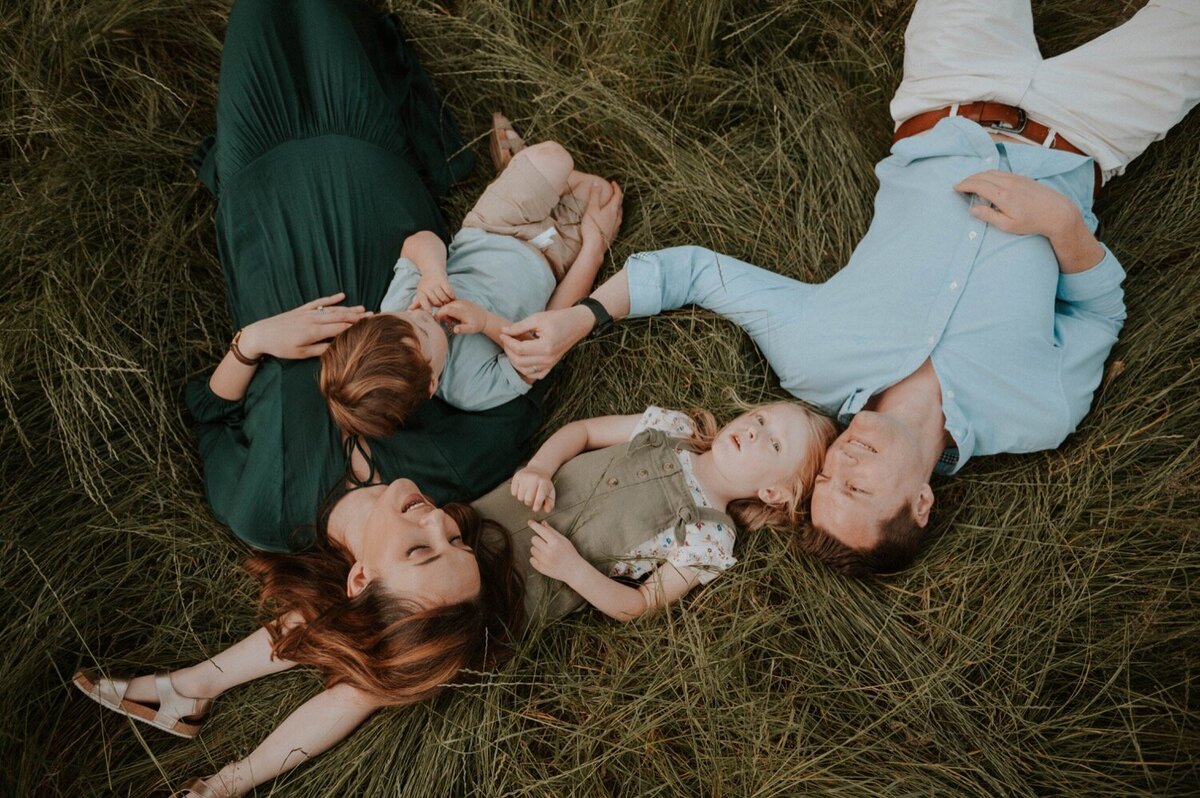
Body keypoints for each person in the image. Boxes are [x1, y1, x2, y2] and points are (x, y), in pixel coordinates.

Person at [497, 0, 1200, 576]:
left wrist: (580, 318)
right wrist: (1059, 224)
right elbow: (1100, 309)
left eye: (828, 479)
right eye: (858, 488)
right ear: (921, 503)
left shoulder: (815, 357)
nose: (843, 464)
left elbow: (689, 272)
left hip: (951, 91)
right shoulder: (1039, 415)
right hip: (1085, 133)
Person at [185, 0, 551, 553]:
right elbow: (525, 375)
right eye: (451, 543)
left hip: (262, 187)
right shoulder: (453, 471)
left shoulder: (262, 514)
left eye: (420, 551)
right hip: (369, 167)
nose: (438, 526)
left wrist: (254, 342)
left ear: (360, 579)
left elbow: (209, 416)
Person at [74, 475, 522, 798]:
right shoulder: (441, 492)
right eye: (454, 537)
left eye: (433, 544)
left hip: (444, 605)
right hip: (419, 567)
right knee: (341, 617)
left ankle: (225, 775)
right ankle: (193, 688)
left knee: (369, 673)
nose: (443, 520)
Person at [319, 127, 624, 438]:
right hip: (552, 262)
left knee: (555, 158)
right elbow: (546, 342)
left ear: (376, 317)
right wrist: (594, 248)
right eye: (425, 330)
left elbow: (419, 243)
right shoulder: (471, 388)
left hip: (495, 226)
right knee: (601, 193)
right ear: (431, 384)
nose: (424, 314)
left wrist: (432, 270)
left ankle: (525, 171)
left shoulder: (398, 305)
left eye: (409, 317)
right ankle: (524, 172)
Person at [473, 403, 836, 628]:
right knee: (451, 536)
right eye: (762, 418)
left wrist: (574, 570)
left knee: (471, 613)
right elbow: (583, 432)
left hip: (537, 581)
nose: (756, 430)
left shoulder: (711, 538)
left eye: (775, 444)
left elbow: (641, 604)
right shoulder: (672, 427)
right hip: (520, 500)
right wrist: (539, 467)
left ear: (773, 493)